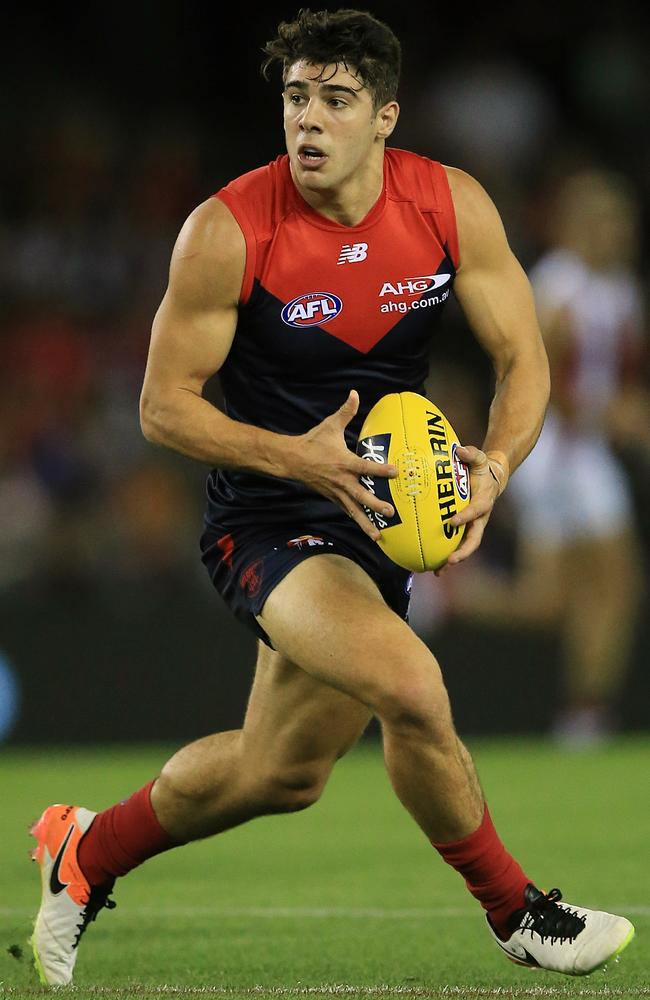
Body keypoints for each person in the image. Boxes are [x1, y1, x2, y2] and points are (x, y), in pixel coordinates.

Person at [30, 9, 635, 987]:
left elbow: (524, 357)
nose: (307, 121)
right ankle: (517, 912)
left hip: (379, 518)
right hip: (268, 516)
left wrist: (499, 464)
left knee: (281, 772)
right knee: (408, 683)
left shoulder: (447, 206)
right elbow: (161, 407)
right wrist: (297, 458)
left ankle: (83, 852)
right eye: (294, 98)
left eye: (335, 100)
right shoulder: (228, 229)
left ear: (385, 115)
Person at [450, 170, 646, 747]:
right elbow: (534, 374)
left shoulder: (621, 290)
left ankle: (461, 599)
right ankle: (587, 714)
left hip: (588, 451)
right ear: (577, 225)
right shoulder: (558, 287)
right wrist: (607, 413)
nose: (616, 233)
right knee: (616, 583)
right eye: (604, 221)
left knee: (556, 600)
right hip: (559, 450)